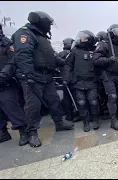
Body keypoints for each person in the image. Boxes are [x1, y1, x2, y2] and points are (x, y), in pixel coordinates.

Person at [12, 11, 74, 148]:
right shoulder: (26, 34)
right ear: (41, 22)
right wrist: (29, 76)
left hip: (46, 76)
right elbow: (23, 56)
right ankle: (32, 133)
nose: (50, 27)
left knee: (54, 100)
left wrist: (63, 62)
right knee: (33, 106)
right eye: (48, 24)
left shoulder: (41, 36)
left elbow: (50, 56)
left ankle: (59, 123)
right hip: (33, 77)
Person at [93, 24, 118, 131]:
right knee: (112, 97)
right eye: (117, 32)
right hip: (108, 75)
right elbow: (95, 60)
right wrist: (108, 60)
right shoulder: (104, 44)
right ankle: (113, 120)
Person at [0, 23, 28, 145]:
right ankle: (3, 132)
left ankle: (24, 132)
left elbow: (13, 61)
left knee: (11, 107)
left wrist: (3, 76)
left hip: (5, 82)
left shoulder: (6, 43)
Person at [58, 38, 80, 123]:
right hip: (73, 79)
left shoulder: (61, 54)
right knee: (75, 97)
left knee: (67, 98)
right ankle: (77, 114)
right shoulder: (73, 53)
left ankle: (69, 115)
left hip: (64, 79)